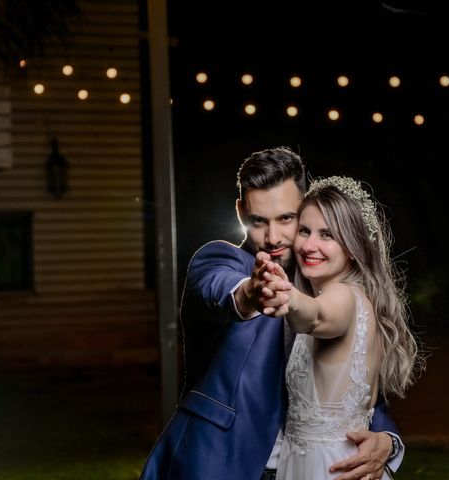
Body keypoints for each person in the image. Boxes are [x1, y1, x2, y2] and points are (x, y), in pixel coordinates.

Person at [140, 148, 404, 480]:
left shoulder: (330, 286)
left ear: (306, 209)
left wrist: (386, 440)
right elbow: (219, 291)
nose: (273, 237)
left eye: (286, 219)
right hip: (219, 464)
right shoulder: (218, 261)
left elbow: (351, 384)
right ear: (240, 213)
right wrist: (252, 293)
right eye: (258, 221)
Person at [257, 176, 420, 480]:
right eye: (304, 231)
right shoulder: (342, 291)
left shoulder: (344, 296)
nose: (309, 245)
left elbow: (317, 316)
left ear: (353, 246)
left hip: (329, 468)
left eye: (327, 235)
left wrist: (287, 296)